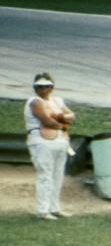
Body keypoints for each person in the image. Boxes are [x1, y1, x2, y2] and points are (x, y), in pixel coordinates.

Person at [24, 72, 76, 220]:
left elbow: (72, 116)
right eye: (39, 86)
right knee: (45, 175)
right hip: (41, 140)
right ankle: (42, 210)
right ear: (35, 87)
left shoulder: (57, 100)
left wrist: (58, 118)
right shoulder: (34, 101)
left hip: (60, 139)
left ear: (51, 87)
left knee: (57, 175)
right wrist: (61, 119)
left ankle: (54, 208)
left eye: (46, 86)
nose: (43, 89)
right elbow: (47, 121)